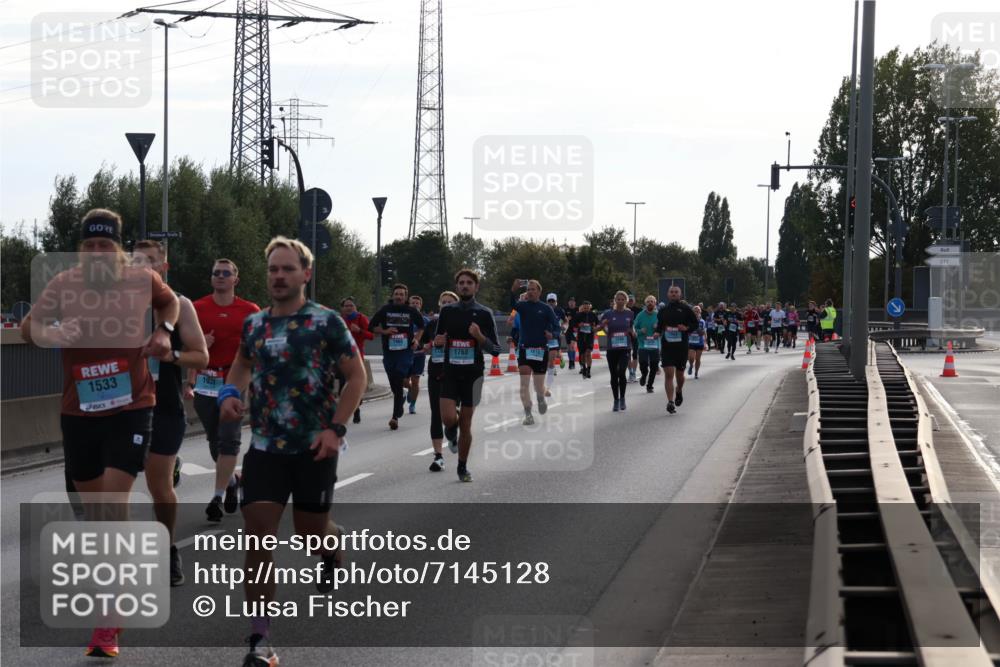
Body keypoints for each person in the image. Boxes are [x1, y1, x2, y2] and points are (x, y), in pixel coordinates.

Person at [22, 209, 180, 658]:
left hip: (132, 407)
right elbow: (30, 328)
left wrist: (165, 332)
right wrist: (53, 332)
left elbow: (169, 303)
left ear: (117, 248)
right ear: (81, 249)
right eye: (89, 245)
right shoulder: (64, 284)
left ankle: (109, 618)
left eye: (104, 245)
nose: (96, 252)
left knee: (112, 502)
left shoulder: (142, 280)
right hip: (80, 410)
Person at [218, 237, 365, 667]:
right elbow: (242, 363)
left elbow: (356, 377)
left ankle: (331, 547)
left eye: (287, 269)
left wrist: (336, 429)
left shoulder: (326, 321)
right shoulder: (255, 324)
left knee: (310, 535)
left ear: (305, 274)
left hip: (315, 447)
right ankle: (260, 639)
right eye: (273, 269)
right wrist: (230, 392)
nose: (279, 276)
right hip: (265, 447)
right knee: (257, 533)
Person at [133, 240, 209, 587]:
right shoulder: (113, 305)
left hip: (162, 408)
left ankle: (168, 549)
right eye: (135, 261)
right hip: (121, 409)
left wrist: (171, 356)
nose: (142, 268)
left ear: (163, 268)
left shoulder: (180, 305)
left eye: (149, 262)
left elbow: (201, 356)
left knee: (159, 487)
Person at [190, 258, 261, 522]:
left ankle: (216, 498)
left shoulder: (249, 310)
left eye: (226, 273)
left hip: (234, 382)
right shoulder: (197, 308)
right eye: (216, 273)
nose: (220, 276)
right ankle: (232, 481)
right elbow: (187, 348)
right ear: (211, 278)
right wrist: (201, 345)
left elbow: (257, 351)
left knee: (229, 439)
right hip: (205, 382)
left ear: (235, 279)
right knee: (214, 442)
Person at [435, 269, 502, 482]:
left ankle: (462, 467)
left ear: (476, 287)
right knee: (448, 418)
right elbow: (438, 339)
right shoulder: (447, 312)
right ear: (457, 287)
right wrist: (438, 342)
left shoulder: (484, 313)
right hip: (450, 371)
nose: (465, 286)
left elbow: (496, 350)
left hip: (473, 375)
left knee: (466, 423)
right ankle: (450, 430)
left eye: (469, 283)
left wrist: (479, 337)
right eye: (461, 283)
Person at [369, 284, 424, 430]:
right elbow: (371, 326)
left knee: (399, 376)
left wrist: (416, 339)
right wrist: (385, 331)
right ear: (393, 295)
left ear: (406, 297)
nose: (399, 296)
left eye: (402, 294)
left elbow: (421, 326)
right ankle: (400, 400)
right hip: (389, 352)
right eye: (397, 294)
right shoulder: (385, 310)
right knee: (394, 382)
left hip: (405, 351)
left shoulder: (411, 311)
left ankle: (395, 417)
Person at [507, 280, 561, 425]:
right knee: (524, 384)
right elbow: (512, 304)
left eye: (533, 289)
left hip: (541, 350)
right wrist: (513, 290)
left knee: (538, 386)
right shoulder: (523, 306)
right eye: (528, 289)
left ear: (539, 292)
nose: (530, 292)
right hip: (524, 349)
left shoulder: (546, 308)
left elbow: (557, 327)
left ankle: (540, 398)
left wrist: (552, 335)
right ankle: (528, 414)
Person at [420, 290, 458, 472]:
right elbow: (423, 344)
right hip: (436, 371)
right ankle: (438, 456)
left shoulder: (462, 324)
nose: (446, 305)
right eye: (444, 302)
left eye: (450, 302)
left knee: (452, 413)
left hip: (457, 373)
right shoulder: (432, 324)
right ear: (439, 305)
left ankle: (452, 431)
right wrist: (429, 345)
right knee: (436, 413)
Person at [656, 285, 699, 414]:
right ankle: (670, 401)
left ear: (680, 294)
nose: (674, 294)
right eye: (671, 292)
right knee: (669, 374)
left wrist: (686, 328)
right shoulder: (663, 310)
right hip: (667, 346)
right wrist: (657, 332)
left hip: (681, 347)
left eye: (676, 292)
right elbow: (660, 325)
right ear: (668, 294)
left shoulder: (686, 309)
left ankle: (679, 390)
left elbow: (695, 324)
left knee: (679, 376)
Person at [599, 291, 636, 411]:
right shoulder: (608, 314)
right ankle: (616, 400)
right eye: (618, 299)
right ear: (615, 300)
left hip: (625, 348)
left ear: (626, 301)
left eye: (622, 299)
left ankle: (623, 398)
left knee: (621, 372)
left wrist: (633, 332)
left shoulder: (630, 313)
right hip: (612, 348)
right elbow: (599, 328)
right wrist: (604, 328)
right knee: (614, 374)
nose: (620, 301)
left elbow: (631, 327)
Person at [339, 297, 373, 423]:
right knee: (342, 386)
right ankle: (351, 408)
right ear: (342, 308)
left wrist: (359, 330)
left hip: (357, 357)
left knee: (354, 384)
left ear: (355, 307)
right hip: (342, 357)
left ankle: (356, 409)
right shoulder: (339, 320)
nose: (349, 308)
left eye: (351, 305)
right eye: (346, 306)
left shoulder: (361, 318)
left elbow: (371, 335)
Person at [405, 295, 429, 415]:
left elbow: (431, 335)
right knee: (404, 380)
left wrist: (428, 344)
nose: (415, 305)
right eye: (412, 303)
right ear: (408, 305)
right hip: (405, 354)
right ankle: (409, 389)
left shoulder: (425, 321)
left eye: (417, 303)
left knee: (415, 381)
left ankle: (412, 404)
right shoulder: (404, 318)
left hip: (419, 354)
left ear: (420, 305)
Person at [633, 295, 660, 393]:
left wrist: (658, 329)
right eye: (648, 301)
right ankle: (644, 375)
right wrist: (640, 331)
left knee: (654, 366)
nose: (650, 303)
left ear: (655, 303)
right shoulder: (640, 315)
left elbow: (663, 328)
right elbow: (634, 328)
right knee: (643, 364)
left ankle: (650, 386)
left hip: (655, 345)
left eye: (652, 301)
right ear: (645, 303)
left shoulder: (658, 315)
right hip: (643, 345)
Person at [544, 293, 566, 397]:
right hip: (542, 339)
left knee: (551, 361)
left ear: (556, 302)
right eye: (549, 301)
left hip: (554, 338)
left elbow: (566, 321)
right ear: (546, 302)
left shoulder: (559, 310)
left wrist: (564, 327)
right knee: (544, 362)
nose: (551, 303)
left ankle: (547, 388)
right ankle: (560, 358)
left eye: (553, 301)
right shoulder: (542, 309)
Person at [570, 301, 600, 379]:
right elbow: (573, 326)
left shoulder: (593, 315)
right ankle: (584, 367)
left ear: (590, 307)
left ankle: (589, 370)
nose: (586, 309)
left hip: (590, 336)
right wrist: (578, 325)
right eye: (584, 308)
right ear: (582, 307)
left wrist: (595, 328)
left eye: (587, 308)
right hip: (581, 337)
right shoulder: (578, 315)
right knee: (582, 354)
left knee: (588, 352)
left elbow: (598, 325)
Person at [687, 305, 707, 378]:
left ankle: (696, 373)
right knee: (691, 358)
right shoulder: (689, 320)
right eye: (695, 311)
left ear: (700, 312)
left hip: (700, 342)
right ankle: (691, 365)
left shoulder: (702, 321)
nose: (696, 313)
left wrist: (705, 343)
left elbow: (703, 332)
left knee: (698, 359)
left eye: (698, 311)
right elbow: (687, 330)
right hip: (691, 342)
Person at [626, 293, 642, 383]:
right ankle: (630, 372)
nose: (630, 302)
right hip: (626, 335)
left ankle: (634, 373)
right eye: (629, 300)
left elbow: (641, 322)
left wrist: (638, 331)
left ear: (634, 301)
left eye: (632, 300)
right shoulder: (624, 310)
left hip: (636, 334)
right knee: (627, 354)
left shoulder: (639, 310)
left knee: (635, 353)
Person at [564, 296, 579, 369]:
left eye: (573, 302)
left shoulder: (577, 310)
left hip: (574, 330)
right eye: (570, 302)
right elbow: (562, 320)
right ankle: (570, 361)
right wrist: (567, 319)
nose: (571, 303)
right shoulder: (565, 310)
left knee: (572, 346)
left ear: (575, 303)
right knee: (569, 347)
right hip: (567, 330)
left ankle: (572, 362)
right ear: (568, 303)